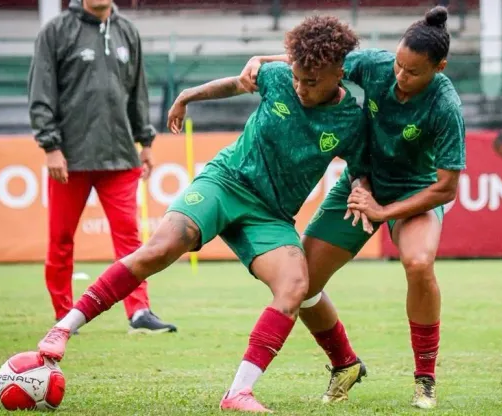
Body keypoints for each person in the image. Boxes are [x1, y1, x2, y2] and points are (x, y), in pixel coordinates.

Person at [36, 15, 368, 413]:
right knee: (161, 248)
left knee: (296, 286)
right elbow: (236, 83)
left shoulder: (352, 119)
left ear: (338, 73)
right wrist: (188, 95)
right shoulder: (279, 77)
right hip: (225, 183)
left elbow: (361, 167)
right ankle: (62, 330)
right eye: (296, 78)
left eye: (311, 82)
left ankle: (238, 392)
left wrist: (361, 188)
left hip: (271, 215)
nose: (299, 88)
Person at [239, 6, 465, 409]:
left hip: (414, 193)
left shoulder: (445, 105)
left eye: (413, 72)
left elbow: (446, 188)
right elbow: (321, 64)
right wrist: (262, 60)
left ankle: (425, 378)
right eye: (398, 64)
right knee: (302, 281)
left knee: (417, 263)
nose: (400, 76)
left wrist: (381, 213)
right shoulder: (376, 66)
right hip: (360, 185)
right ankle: (345, 364)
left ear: (440, 67)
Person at [28, 0, 176, 334]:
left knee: (131, 240)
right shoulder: (55, 31)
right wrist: (50, 146)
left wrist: (146, 141)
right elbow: (41, 93)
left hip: (121, 156)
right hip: (70, 158)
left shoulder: (127, 31)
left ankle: (139, 312)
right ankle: (64, 315)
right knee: (61, 239)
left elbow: (138, 92)